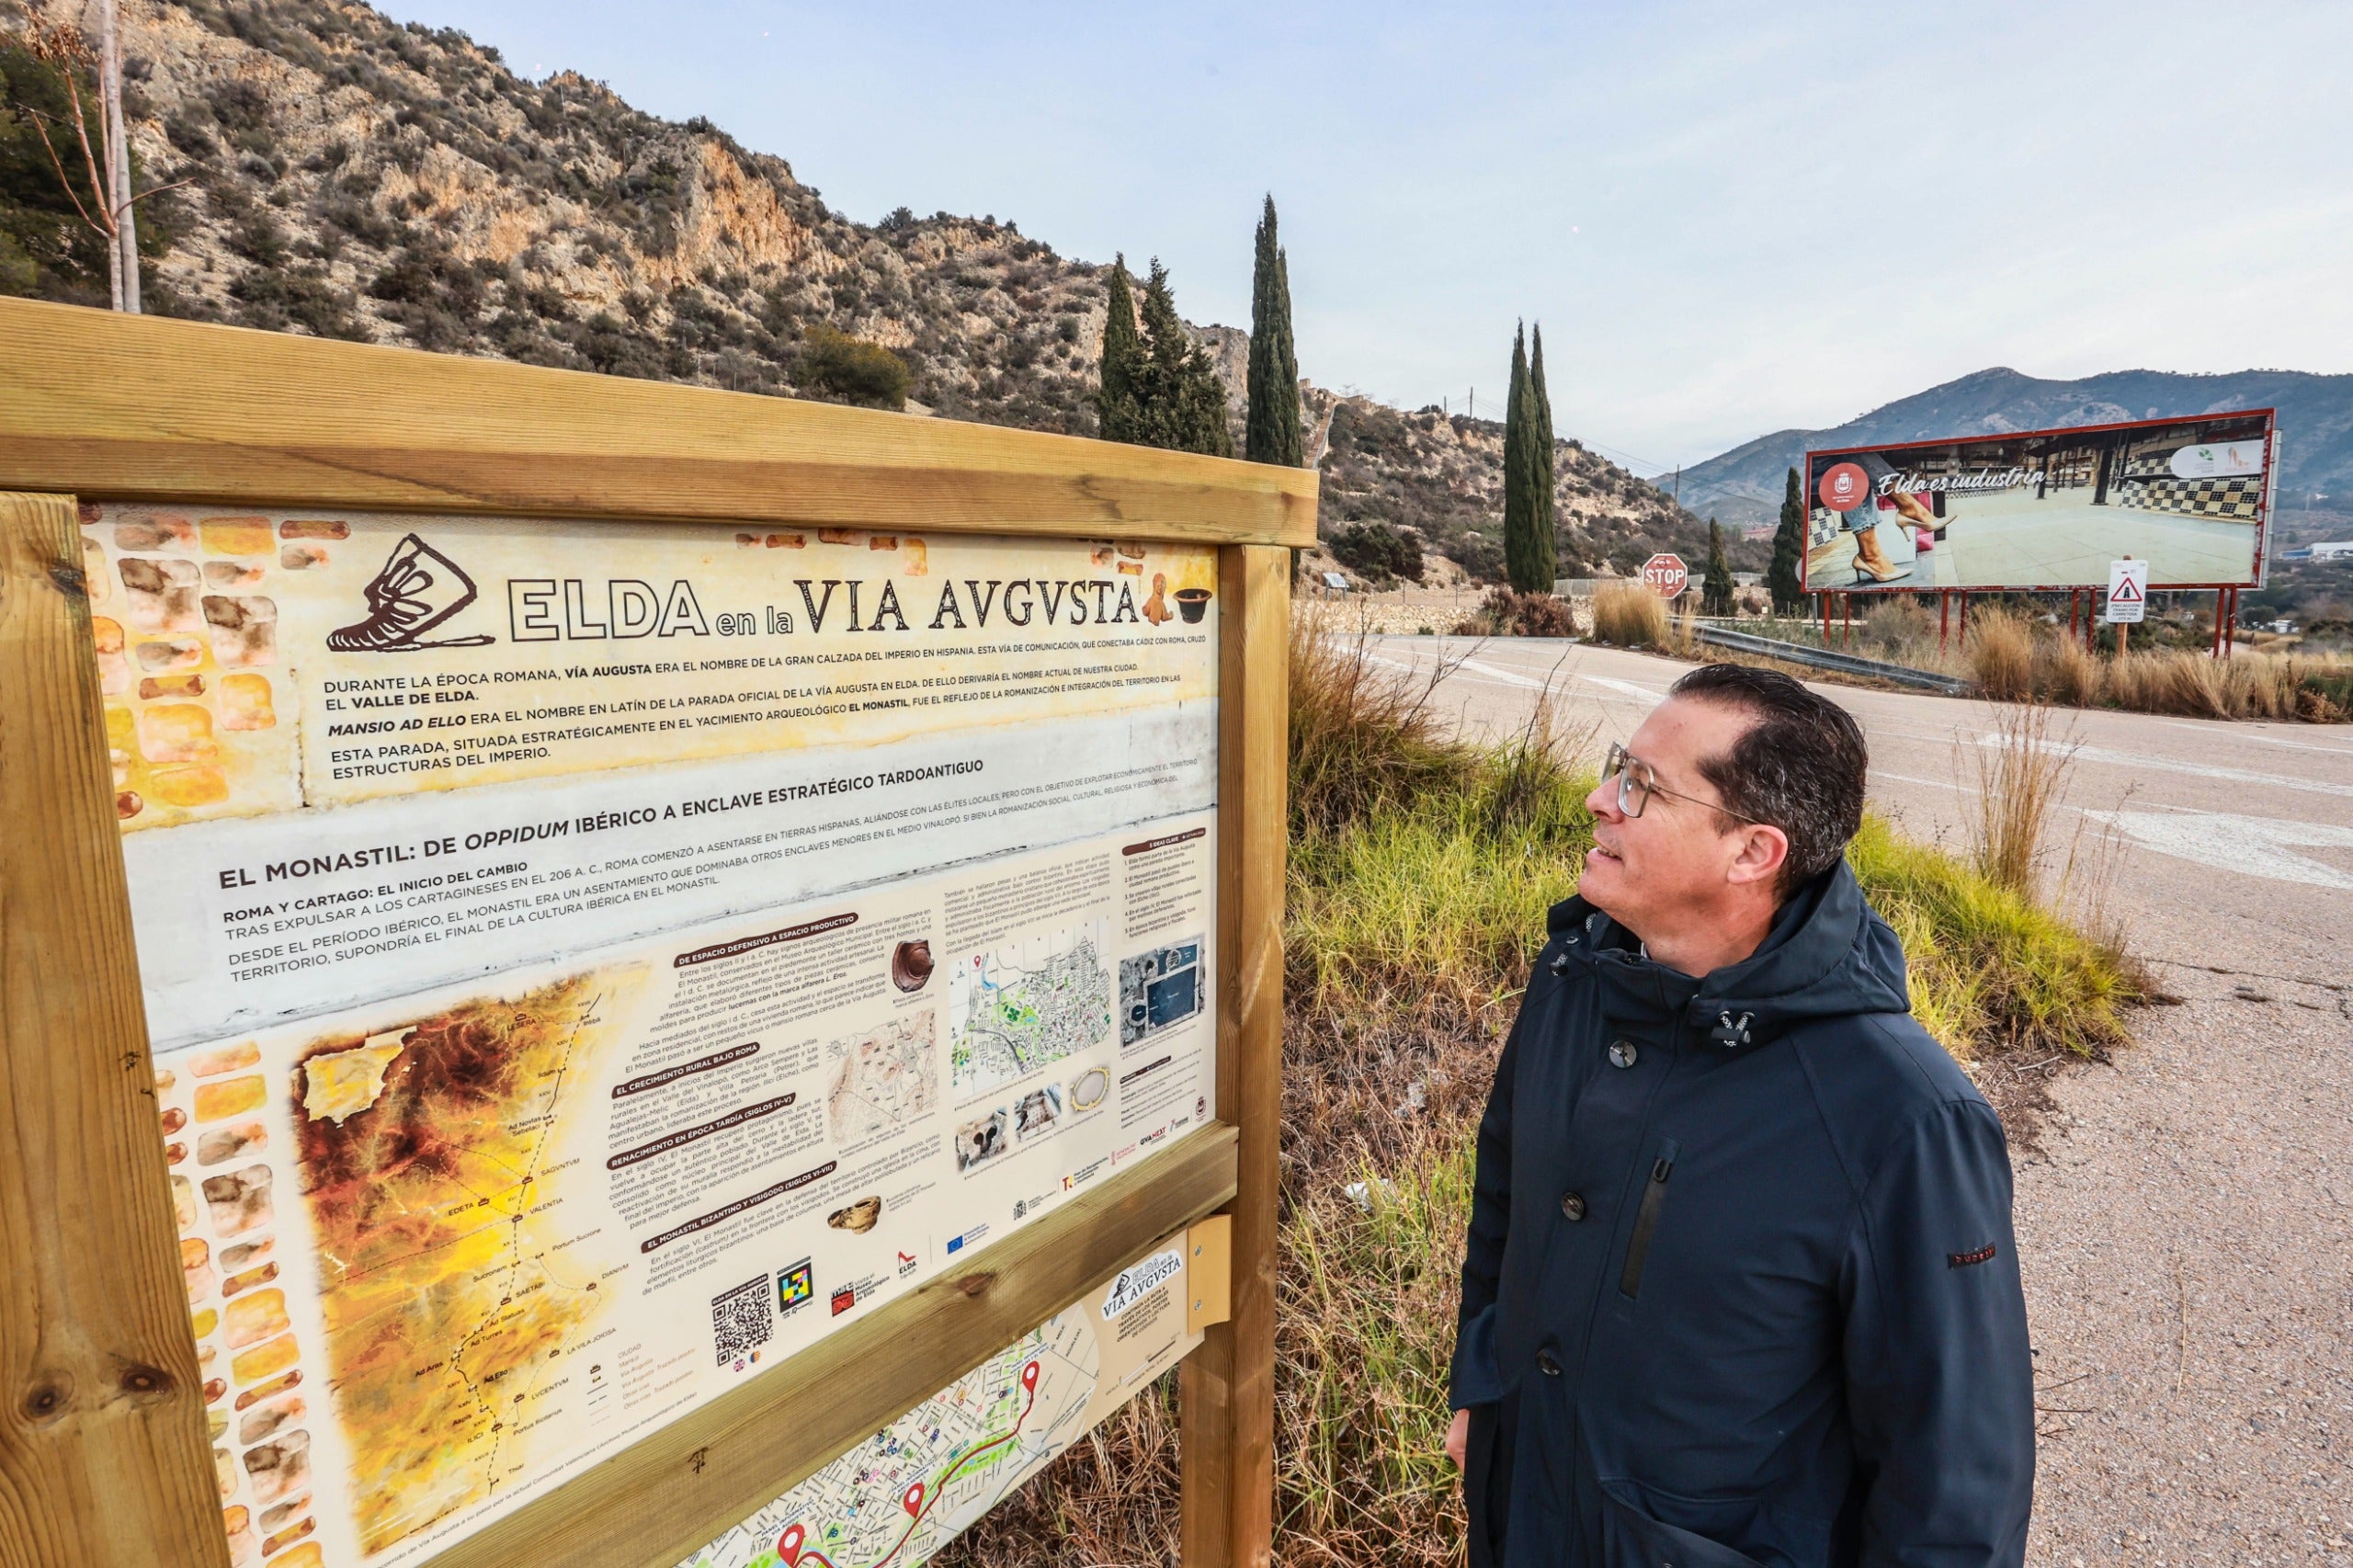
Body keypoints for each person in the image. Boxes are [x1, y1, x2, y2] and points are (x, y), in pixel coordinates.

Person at [1445, 664, 2033, 1567]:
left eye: (1640, 785)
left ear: (1751, 852)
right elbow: (1504, 1202)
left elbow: (1954, 1475)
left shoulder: (1903, 1114)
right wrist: (1481, 1391)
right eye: (1617, 766)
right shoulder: (1573, 980)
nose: (1600, 798)